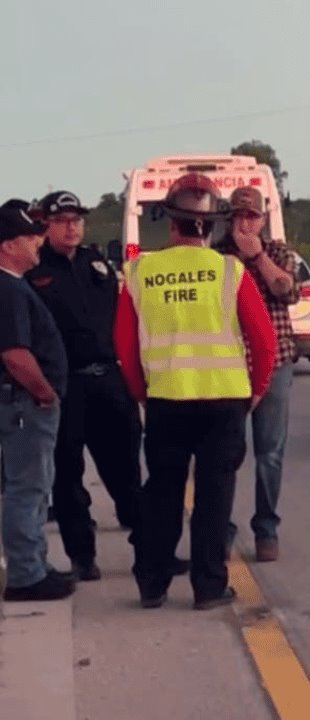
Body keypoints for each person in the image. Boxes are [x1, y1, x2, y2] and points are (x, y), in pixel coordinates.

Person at [114, 173, 277, 610]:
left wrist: (140, 393)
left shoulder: (139, 272)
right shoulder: (230, 270)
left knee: (162, 493)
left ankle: (152, 583)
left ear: (171, 221)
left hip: (167, 400)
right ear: (212, 225)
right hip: (225, 402)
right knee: (213, 497)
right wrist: (256, 390)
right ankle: (208, 587)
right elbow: (264, 341)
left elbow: (125, 348)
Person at [23, 191, 143, 582]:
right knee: (67, 476)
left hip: (108, 379)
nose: (72, 227)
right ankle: (82, 557)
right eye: (63, 220)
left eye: (77, 219)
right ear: (46, 225)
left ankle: (149, 552)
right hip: (66, 384)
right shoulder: (34, 269)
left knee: (126, 470)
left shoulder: (97, 263)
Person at [211, 187, 298, 563]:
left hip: (274, 362)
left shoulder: (278, 253)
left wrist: (258, 256)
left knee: (270, 453)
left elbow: (286, 290)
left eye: (252, 217)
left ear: (262, 220)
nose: (245, 223)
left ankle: (267, 528)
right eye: (239, 217)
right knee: (223, 453)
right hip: (228, 365)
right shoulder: (216, 259)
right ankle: (222, 530)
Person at [0, 202, 76, 602]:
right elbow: (15, 354)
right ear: (9, 245)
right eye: (31, 239)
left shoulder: (14, 284)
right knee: (27, 488)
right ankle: (26, 575)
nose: (38, 245)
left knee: (33, 487)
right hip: (25, 405)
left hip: (23, 404)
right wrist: (44, 392)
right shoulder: (8, 288)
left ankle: (35, 564)